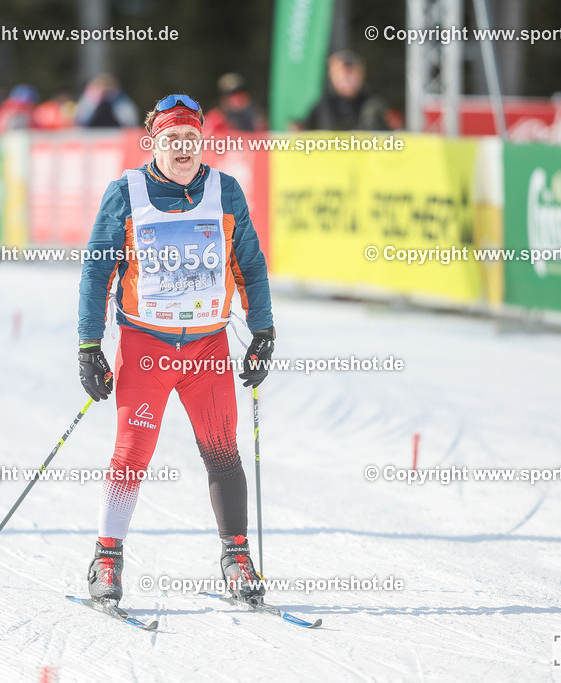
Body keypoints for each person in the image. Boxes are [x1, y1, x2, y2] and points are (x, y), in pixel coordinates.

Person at [77, 94, 275, 606]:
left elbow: (249, 265)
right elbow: (98, 272)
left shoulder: (225, 191)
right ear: (154, 144)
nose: (183, 149)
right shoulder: (126, 192)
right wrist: (89, 345)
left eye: (191, 139)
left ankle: (236, 558)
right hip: (146, 347)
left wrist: (263, 332)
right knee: (131, 456)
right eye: (172, 140)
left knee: (223, 451)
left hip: (208, 347)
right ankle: (106, 558)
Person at [302, 50, 390, 131]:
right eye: (343, 77)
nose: (348, 82)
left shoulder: (374, 106)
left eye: (352, 76)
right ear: (332, 77)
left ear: (361, 77)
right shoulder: (322, 106)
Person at [75, 73, 139, 128]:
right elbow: (80, 121)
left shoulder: (121, 102)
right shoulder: (87, 101)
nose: (104, 89)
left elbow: (129, 122)